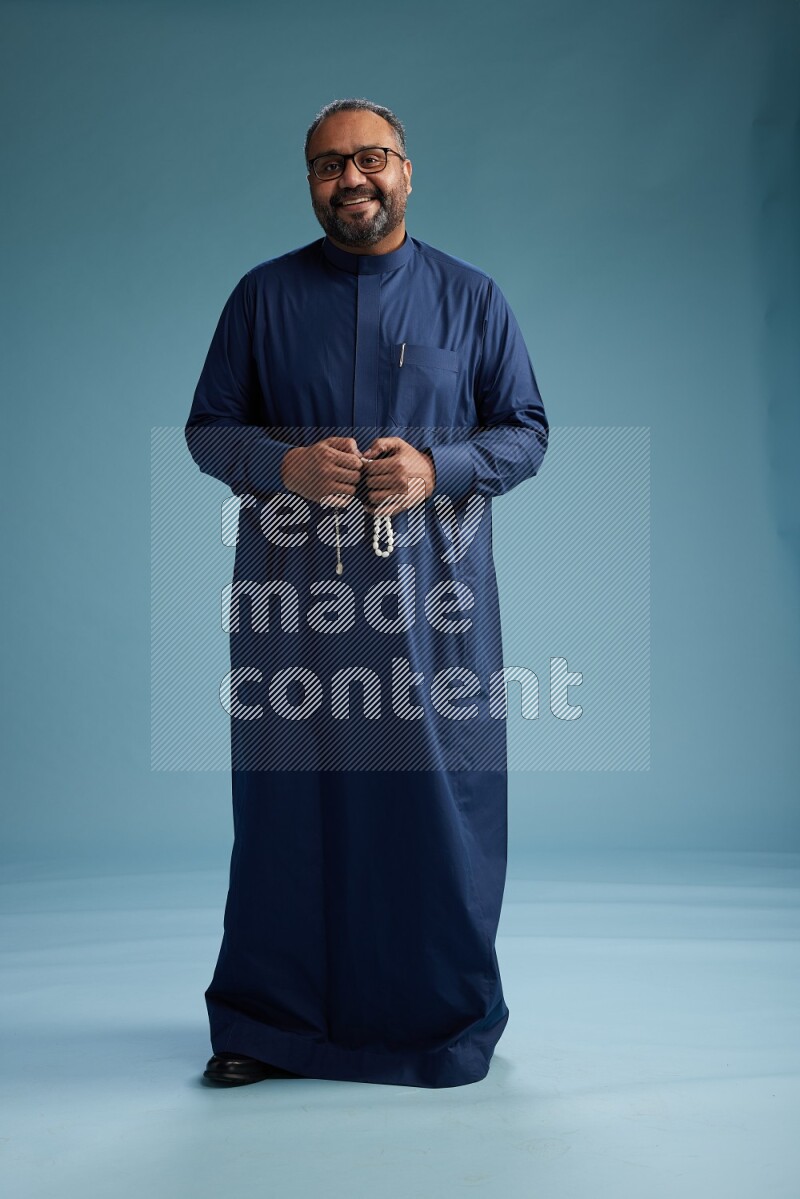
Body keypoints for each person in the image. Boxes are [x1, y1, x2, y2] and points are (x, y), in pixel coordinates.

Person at [185, 97, 549, 1089]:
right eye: (327, 164)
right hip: (292, 599)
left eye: (370, 158)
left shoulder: (469, 299)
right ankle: (268, 1019)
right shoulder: (261, 298)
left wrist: (441, 467)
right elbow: (208, 427)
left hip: (433, 602)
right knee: (285, 802)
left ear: (406, 170)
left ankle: (437, 1020)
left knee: (431, 802)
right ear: (309, 181)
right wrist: (279, 463)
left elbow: (525, 430)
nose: (350, 178)